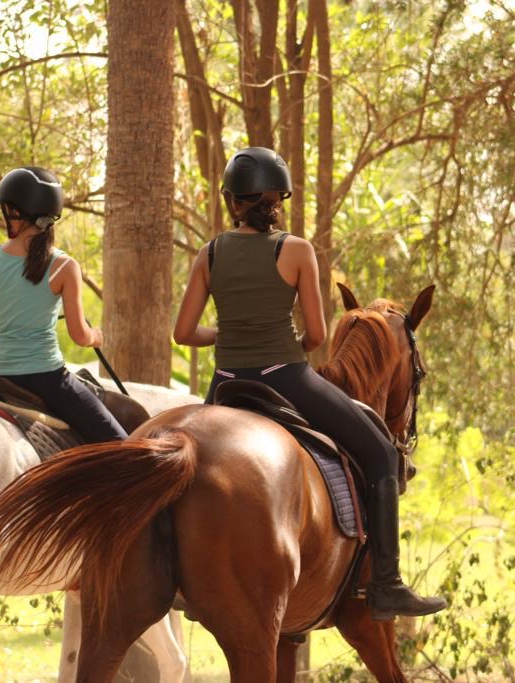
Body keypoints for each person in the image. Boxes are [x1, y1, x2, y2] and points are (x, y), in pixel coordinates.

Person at [172, 147, 447, 620]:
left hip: (224, 384)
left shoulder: (209, 253)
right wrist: (284, 340)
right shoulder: (295, 250)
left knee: (186, 468)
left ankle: (178, 576)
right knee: (381, 453)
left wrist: (227, 333)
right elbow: (318, 337)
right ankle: (386, 584)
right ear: (280, 199)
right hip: (285, 378)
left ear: (231, 201)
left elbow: (183, 334)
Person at [0, 166, 127, 443]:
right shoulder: (64, 266)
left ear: (19, 212)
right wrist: (95, 337)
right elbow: (79, 336)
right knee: (124, 447)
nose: (5, 215)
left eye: (8, 209)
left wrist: (10, 324)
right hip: (47, 380)